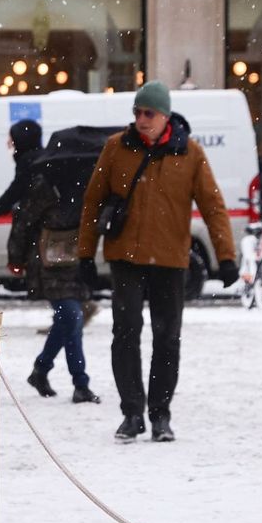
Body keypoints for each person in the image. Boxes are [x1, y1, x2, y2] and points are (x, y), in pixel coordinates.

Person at [77, 81, 237, 443]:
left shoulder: (190, 153)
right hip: (126, 256)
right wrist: (85, 255)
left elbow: (213, 206)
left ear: (165, 115)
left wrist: (225, 256)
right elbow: (92, 202)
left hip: (169, 258)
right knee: (127, 331)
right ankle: (132, 413)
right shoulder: (117, 148)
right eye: (136, 112)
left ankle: (160, 415)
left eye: (148, 113)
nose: (141, 119)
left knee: (167, 338)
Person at [8, 152, 99, 404]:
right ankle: (80, 383)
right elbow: (23, 222)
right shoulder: (46, 186)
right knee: (73, 316)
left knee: (66, 320)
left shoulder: (91, 186)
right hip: (48, 262)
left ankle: (41, 370)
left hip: (76, 261)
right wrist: (16, 258)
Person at [0, 119, 44, 219]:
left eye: (12, 139)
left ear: (21, 140)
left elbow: (15, 191)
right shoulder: (41, 158)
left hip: (37, 222)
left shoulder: (28, 162)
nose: (8, 143)